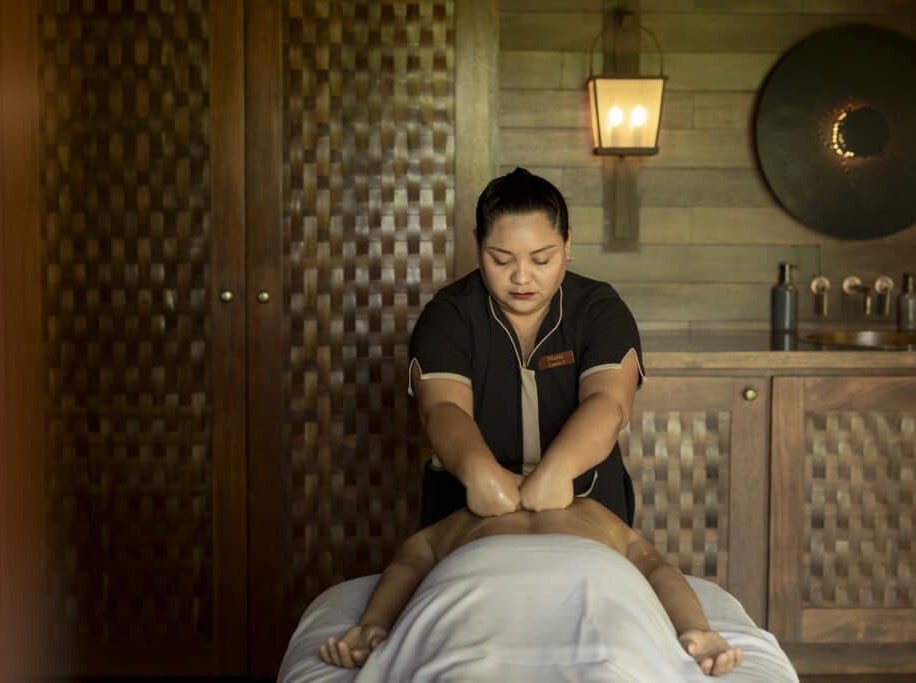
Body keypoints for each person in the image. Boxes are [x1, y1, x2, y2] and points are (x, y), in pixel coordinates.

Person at [409, 167, 644, 527]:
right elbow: (442, 408)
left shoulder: (598, 309)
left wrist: (557, 473)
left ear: (567, 244)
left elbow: (609, 402)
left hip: (587, 504)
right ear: (477, 244)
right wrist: (481, 475)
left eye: (541, 259)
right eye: (501, 259)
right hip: (468, 512)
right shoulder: (450, 315)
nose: (521, 277)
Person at [317, 498, 744, 677]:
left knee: (466, 667)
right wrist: (698, 630)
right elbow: (659, 570)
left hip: (490, 575)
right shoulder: (594, 515)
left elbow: (406, 567)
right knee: (608, 666)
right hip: (581, 574)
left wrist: (698, 630)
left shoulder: (460, 522)